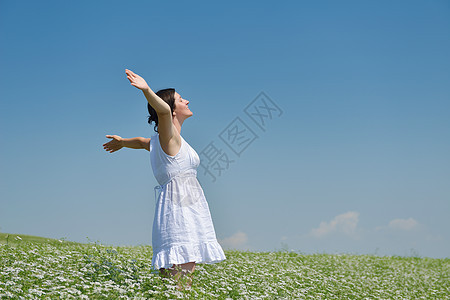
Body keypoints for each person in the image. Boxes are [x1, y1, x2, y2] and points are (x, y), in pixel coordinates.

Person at [102, 69, 226, 290]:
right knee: (180, 281)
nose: (186, 101)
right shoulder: (168, 137)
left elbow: (141, 142)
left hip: (179, 208)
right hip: (180, 213)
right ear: (172, 110)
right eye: (180, 99)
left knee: (174, 281)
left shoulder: (161, 140)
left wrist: (122, 142)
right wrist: (146, 90)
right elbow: (162, 114)